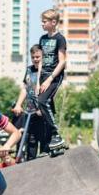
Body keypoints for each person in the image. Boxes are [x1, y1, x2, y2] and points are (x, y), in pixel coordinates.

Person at [35, 9, 69, 152]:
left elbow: (62, 62)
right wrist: (38, 82)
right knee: (46, 106)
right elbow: (41, 61)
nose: (42, 24)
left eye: (44, 21)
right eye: (42, 21)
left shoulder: (60, 39)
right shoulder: (43, 39)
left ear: (53, 22)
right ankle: (52, 142)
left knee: (43, 101)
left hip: (55, 75)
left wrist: (49, 79)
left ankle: (56, 134)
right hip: (43, 75)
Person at [12, 45, 55, 157]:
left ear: (43, 57)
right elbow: (25, 88)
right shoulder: (29, 70)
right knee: (30, 145)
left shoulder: (48, 71)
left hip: (43, 113)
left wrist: (42, 109)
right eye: (33, 57)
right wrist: (18, 104)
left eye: (38, 57)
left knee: (45, 146)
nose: (35, 59)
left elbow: (52, 92)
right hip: (30, 113)